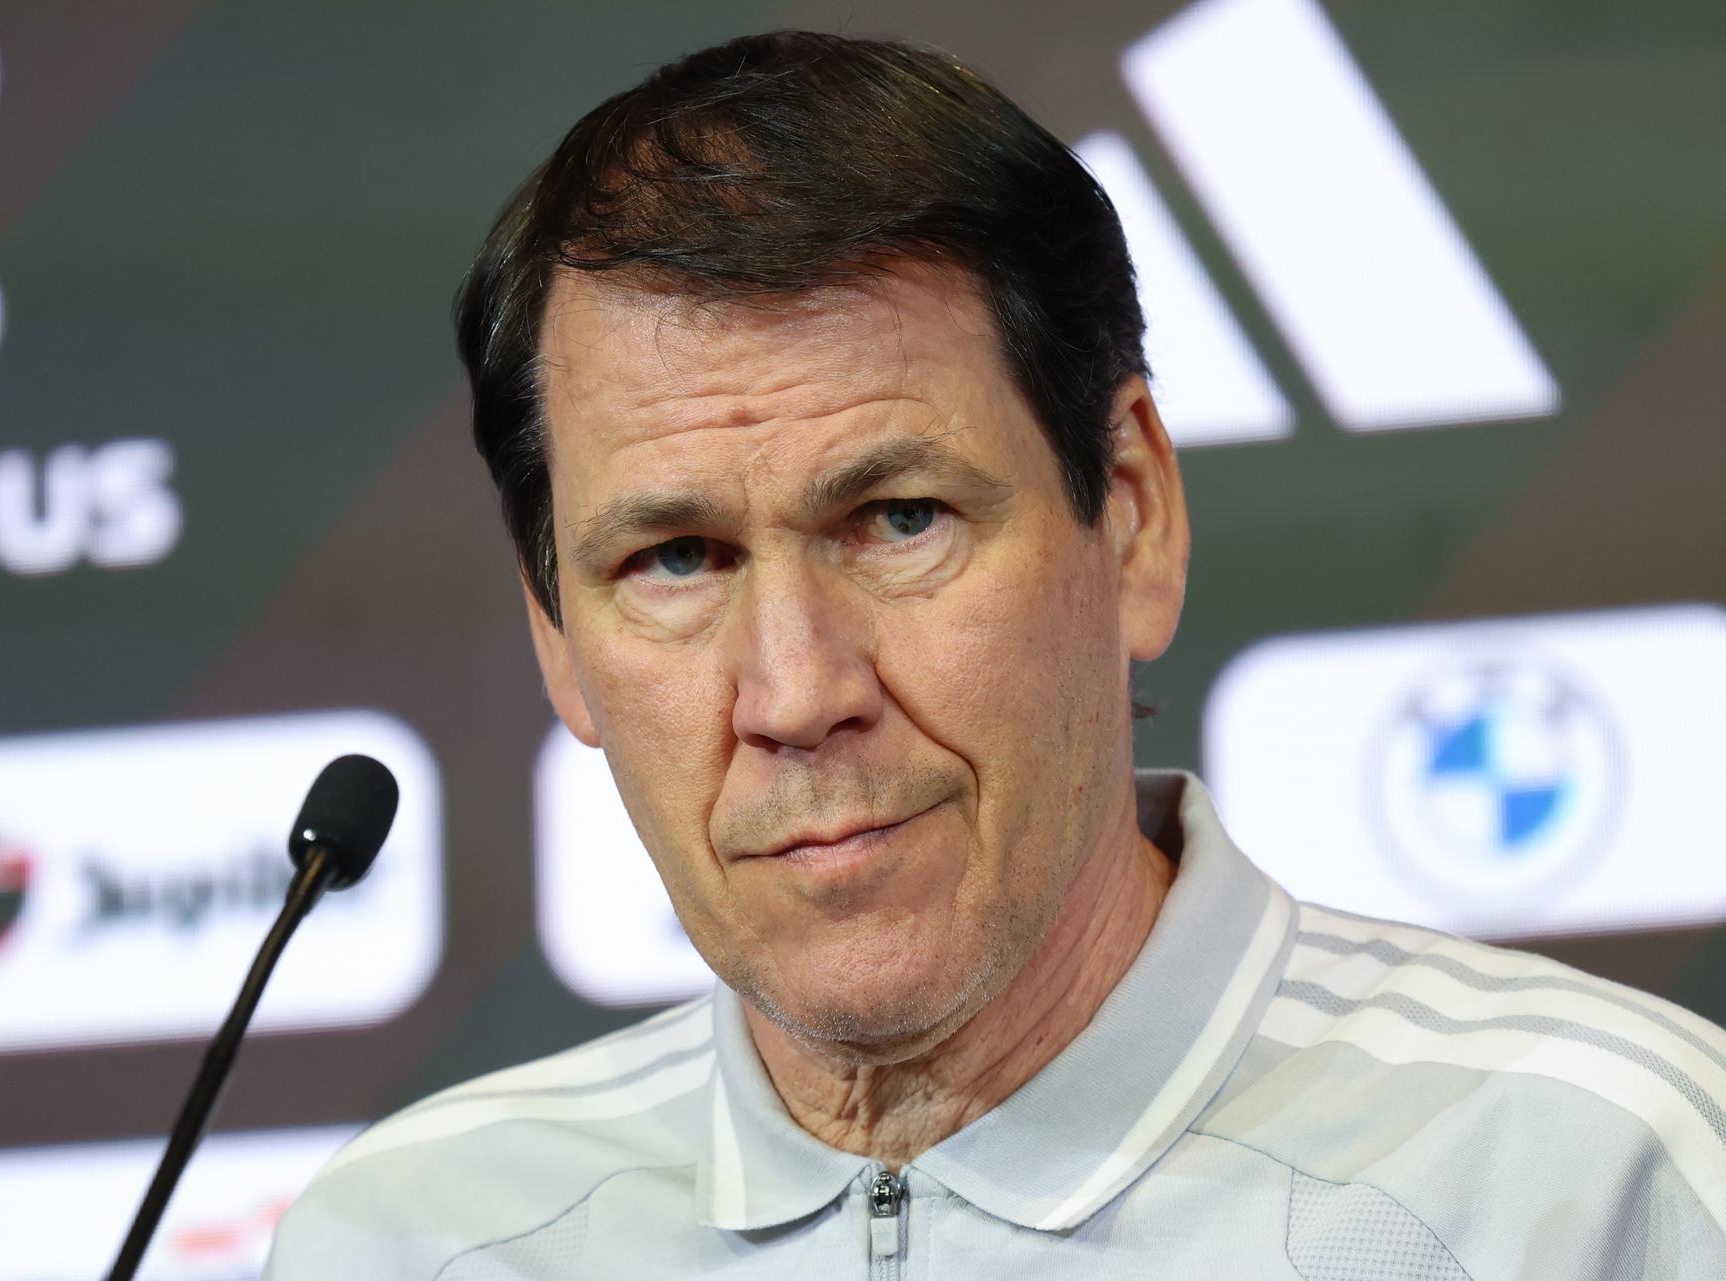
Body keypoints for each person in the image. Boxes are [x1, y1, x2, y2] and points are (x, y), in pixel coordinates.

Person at [266, 31, 1726, 1280]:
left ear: (1134, 517)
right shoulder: (404, 1243)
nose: (796, 691)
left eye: (899, 518)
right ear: (558, 639)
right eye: (676, 559)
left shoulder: (1591, 1184)